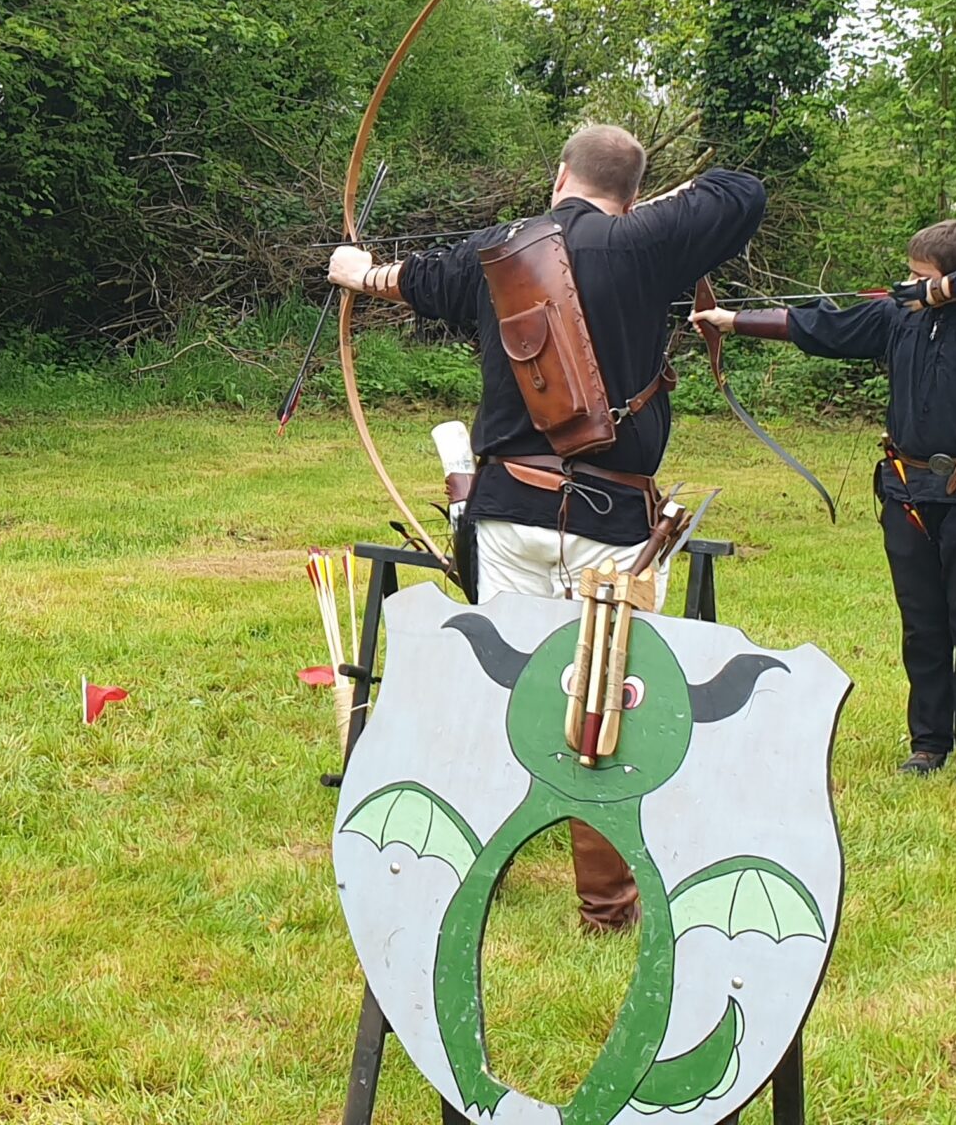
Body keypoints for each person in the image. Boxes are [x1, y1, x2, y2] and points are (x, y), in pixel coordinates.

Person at [329, 124, 767, 930]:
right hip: (612, 522)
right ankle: (606, 906)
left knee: (508, 689)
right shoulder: (647, 240)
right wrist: (651, 209)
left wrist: (359, 271)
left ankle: (456, 873)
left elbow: (415, 280)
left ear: (557, 175)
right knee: (606, 701)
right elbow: (742, 191)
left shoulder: (501, 247)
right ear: (632, 194)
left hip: (507, 514)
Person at [691, 219, 956, 782]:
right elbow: (820, 327)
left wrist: (936, 293)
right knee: (922, 623)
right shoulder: (897, 317)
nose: (909, 284)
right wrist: (730, 321)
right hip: (906, 487)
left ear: (949, 277)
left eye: (919, 275)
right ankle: (927, 744)